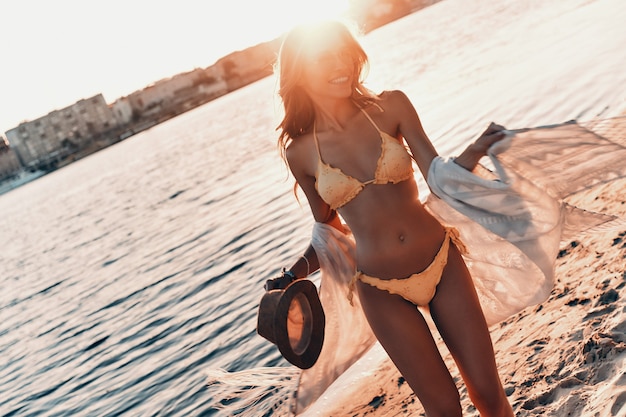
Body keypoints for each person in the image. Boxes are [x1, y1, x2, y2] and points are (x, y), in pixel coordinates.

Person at [267, 19, 515, 417]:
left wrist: (476, 150)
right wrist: (293, 273)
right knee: (444, 409)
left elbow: (437, 176)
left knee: (488, 393)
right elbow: (328, 232)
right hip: (380, 290)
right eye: (324, 58)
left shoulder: (391, 107)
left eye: (342, 53)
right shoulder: (300, 152)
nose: (340, 64)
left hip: (440, 259)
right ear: (301, 72)